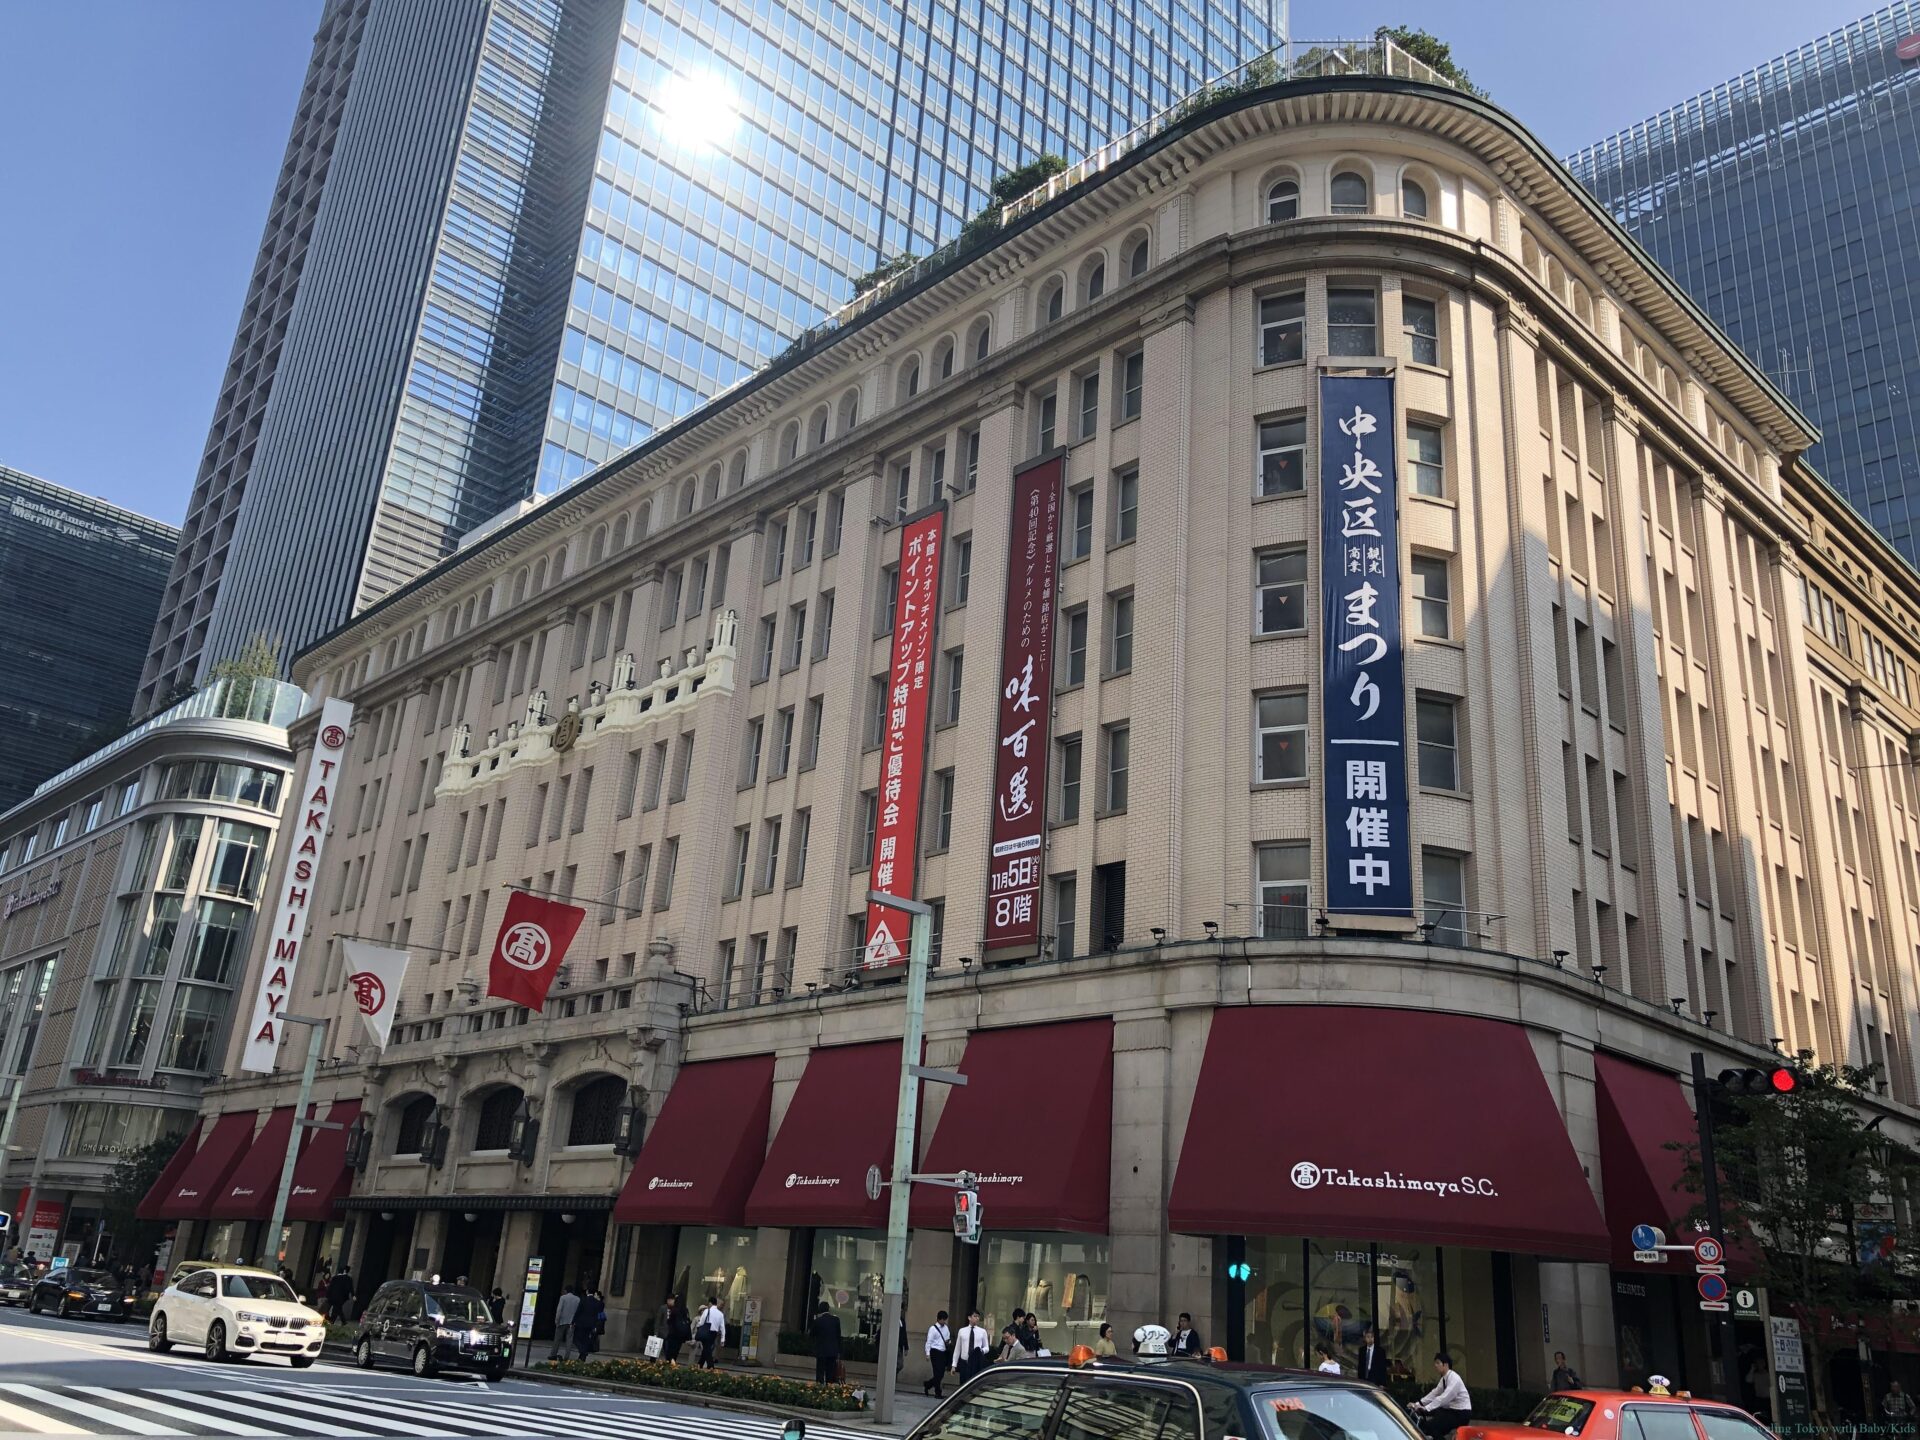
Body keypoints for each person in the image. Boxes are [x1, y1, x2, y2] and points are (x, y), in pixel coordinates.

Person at [1411, 1353, 1472, 1439]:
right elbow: (1434, 1393)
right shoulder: (1444, 1379)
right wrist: (1417, 1404)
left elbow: (1444, 1398)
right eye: (1435, 1363)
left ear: (1445, 1365)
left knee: (1432, 1427)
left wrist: (1426, 1408)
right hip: (1451, 1411)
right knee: (1427, 1426)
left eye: (1438, 1363)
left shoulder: (1454, 1379)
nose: (1435, 1366)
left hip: (1461, 1413)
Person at [809, 1300, 843, 1385]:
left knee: (820, 1371)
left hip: (821, 1350)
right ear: (828, 1309)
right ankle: (829, 1387)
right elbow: (838, 1336)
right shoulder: (836, 1320)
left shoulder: (818, 1321)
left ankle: (819, 1387)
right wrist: (839, 1350)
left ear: (820, 1309)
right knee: (830, 1372)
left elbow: (811, 1334)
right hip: (832, 1351)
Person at [954, 1309, 992, 1381]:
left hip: (976, 1363)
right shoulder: (962, 1331)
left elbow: (987, 1348)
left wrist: (981, 1351)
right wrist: (954, 1365)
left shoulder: (982, 1331)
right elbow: (957, 1349)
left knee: (974, 1383)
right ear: (969, 1318)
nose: (977, 1318)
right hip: (964, 1362)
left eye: (978, 1317)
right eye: (975, 1316)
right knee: (963, 1383)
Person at [924, 1309, 953, 1397]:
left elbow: (948, 1338)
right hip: (935, 1351)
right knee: (937, 1372)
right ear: (939, 1319)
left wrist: (949, 1342)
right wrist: (927, 1353)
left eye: (945, 1319)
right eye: (943, 1319)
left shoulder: (946, 1328)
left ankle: (928, 1384)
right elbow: (929, 1342)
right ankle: (938, 1392)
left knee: (941, 1373)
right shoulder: (933, 1329)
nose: (944, 1321)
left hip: (943, 1352)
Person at [572, 1288, 605, 1362]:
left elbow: (578, 1311)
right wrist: (596, 1325)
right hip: (591, 1324)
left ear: (587, 1291)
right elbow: (599, 1315)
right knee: (586, 1340)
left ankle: (583, 1352)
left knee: (576, 1339)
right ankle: (582, 1357)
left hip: (581, 1323)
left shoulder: (583, 1300)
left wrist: (573, 1321)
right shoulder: (597, 1302)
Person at [551, 1284, 582, 1361]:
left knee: (557, 1339)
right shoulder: (577, 1299)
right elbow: (578, 1311)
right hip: (572, 1322)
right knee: (569, 1340)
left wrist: (557, 1320)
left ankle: (553, 1354)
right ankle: (567, 1356)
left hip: (562, 1321)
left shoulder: (563, 1298)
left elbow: (559, 1310)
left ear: (565, 1290)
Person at [696, 1295, 726, 1370]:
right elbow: (722, 1327)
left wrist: (698, 1327)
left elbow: (701, 1322)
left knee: (707, 1349)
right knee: (707, 1348)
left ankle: (710, 1366)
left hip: (706, 1331)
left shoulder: (707, 1311)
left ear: (710, 1303)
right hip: (714, 1333)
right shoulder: (720, 1314)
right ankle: (700, 1364)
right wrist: (723, 1339)